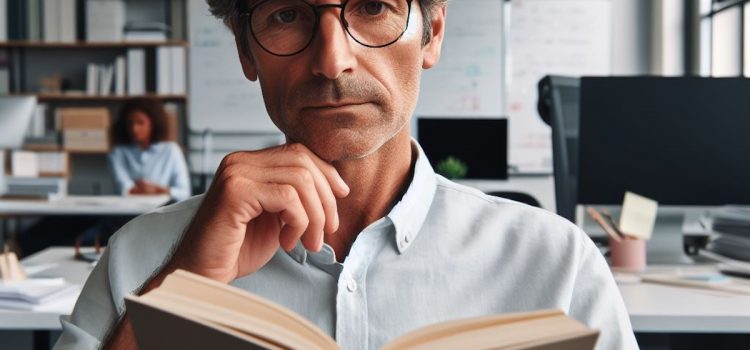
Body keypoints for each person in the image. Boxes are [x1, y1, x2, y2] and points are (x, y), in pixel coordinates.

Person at [55, 1, 638, 349]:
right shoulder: (140, 257)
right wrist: (186, 289)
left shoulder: (556, 264)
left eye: (374, 6)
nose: (332, 59)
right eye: (287, 14)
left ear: (432, 32)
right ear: (246, 53)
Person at [109, 97, 191, 202]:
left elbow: (184, 192)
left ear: (153, 123)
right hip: (127, 212)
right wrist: (161, 190)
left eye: (141, 123)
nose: (134, 129)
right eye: (130, 123)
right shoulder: (118, 152)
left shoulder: (171, 150)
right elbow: (124, 190)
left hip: (163, 211)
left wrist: (154, 189)